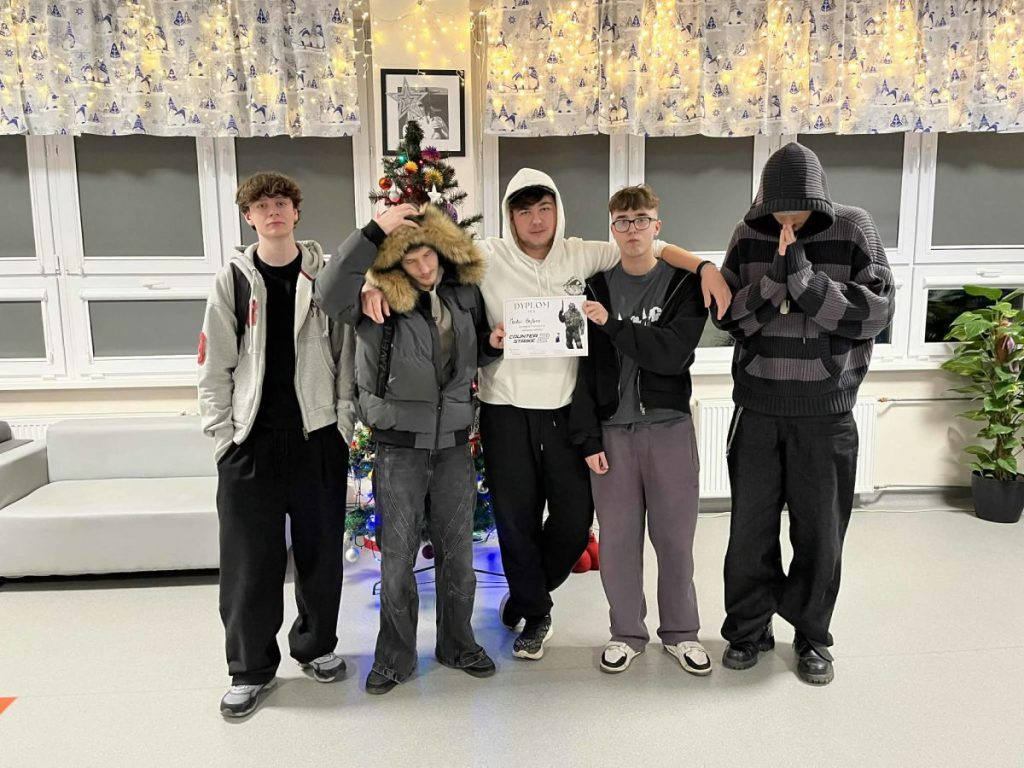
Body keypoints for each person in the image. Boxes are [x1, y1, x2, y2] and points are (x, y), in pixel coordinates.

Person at [363, 168, 731, 661]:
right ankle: (537, 614)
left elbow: (651, 246)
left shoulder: (583, 253)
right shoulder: (485, 256)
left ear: (558, 210)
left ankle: (526, 593)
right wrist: (374, 280)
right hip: (505, 410)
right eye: (524, 211)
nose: (535, 220)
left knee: (575, 524)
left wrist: (705, 268)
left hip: (565, 410)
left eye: (544, 209)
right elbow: (419, 259)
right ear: (509, 216)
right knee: (515, 522)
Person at [713, 142, 895, 685]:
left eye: (797, 211)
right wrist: (775, 282)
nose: (786, 222)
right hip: (757, 409)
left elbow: (875, 315)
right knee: (750, 532)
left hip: (826, 413)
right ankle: (749, 629)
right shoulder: (747, 234)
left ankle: (812, 636)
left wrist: (806, 281)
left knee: (821, 535)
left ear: (817, 200)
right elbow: (728, 318)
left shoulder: (854, 228)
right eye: (777, 211)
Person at [315, 203, 503, 694]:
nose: (423, 268)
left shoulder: (463, 295)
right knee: (397, 560)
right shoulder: (376, 300)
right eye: (411, 259)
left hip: (455, 443)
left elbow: (473, 354)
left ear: (441, 252)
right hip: (399, 447)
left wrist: (495, 344)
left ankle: (458, 644)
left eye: (429, 257)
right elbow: (327, 291)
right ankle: (394, 657)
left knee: (458, 554)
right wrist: (371, 233)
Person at [198, 172, 356, 718]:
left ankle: (316, 647)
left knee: (321, 556)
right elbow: (214, 365)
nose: (273, 212)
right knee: (249, 563)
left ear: (296, 211)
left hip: (318, 440)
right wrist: (224, 438)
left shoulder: (325, 275)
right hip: (250, 444)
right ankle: (249, 669)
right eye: (261, 205)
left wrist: (342, 425)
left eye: (281, 203)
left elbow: (346, 354)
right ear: (249, 217)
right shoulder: (233, 281)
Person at [569, 185, 711, 675]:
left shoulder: (683, 286)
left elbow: (670, 354)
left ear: (657, 226)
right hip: (612, 434)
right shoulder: (594, 288)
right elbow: (584, 369)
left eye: (642, 219)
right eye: (623, 221)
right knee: (618, 543)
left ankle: (682, 633)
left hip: (668, 427)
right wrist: (588, 438)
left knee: (675, 541)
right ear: (612, 229)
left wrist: (612, 325)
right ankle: (626, 633)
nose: (632, 230)